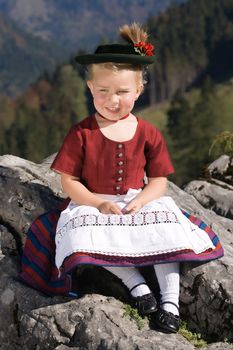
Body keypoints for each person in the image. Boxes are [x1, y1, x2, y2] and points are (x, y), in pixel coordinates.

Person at [20, 23, 223, 334]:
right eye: (103, 91)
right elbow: (69, 181)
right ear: (90, 88)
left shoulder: (148, 132)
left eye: (122, 92)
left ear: (139, 90)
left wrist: (142, 200)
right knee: (86, 234)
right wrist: (97, 203)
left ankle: (170, 303)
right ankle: (137, 286)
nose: (112, 100)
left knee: (164, 230)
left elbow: (157, 180)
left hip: (134, 199)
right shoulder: (82, 132)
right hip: (94, 202)